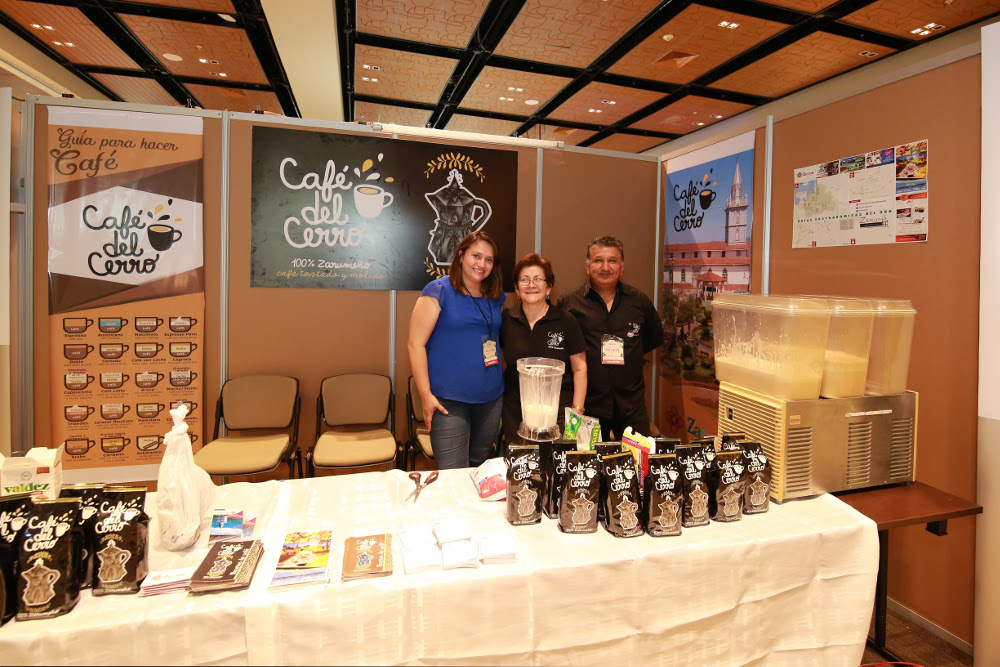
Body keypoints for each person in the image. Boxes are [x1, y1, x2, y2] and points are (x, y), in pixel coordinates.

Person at [407, 231, 505, 469]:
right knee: (453, 475)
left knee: (477, 469)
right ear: (461, 255)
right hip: (448, 401)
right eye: (476, 256)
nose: (482, 264)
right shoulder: (438, 290)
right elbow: (415, 344)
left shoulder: (495, 296)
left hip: (490, 399)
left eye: (489, 259)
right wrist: (426, 395)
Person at [557, 235, 663, 442]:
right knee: (588, 461)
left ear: (621, 267)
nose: (605, 267)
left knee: (638, 460)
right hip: (588, 406)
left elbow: (652, 339)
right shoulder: (569, 303)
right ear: (587, 266)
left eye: (612, 261)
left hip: (632, 404)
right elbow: (562, 350)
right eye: (598, 260)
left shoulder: (639, 302)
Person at [499, 253, 586, 446]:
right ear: (517, 288)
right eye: (524, 280)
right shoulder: (507, 319)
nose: (531, 285)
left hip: (558, 414)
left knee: (554, 463)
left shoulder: (565, 321)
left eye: (538, 279)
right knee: (521, 463)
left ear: (549, 287)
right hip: (516, 413)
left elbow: (580, 368)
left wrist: (577, 412)